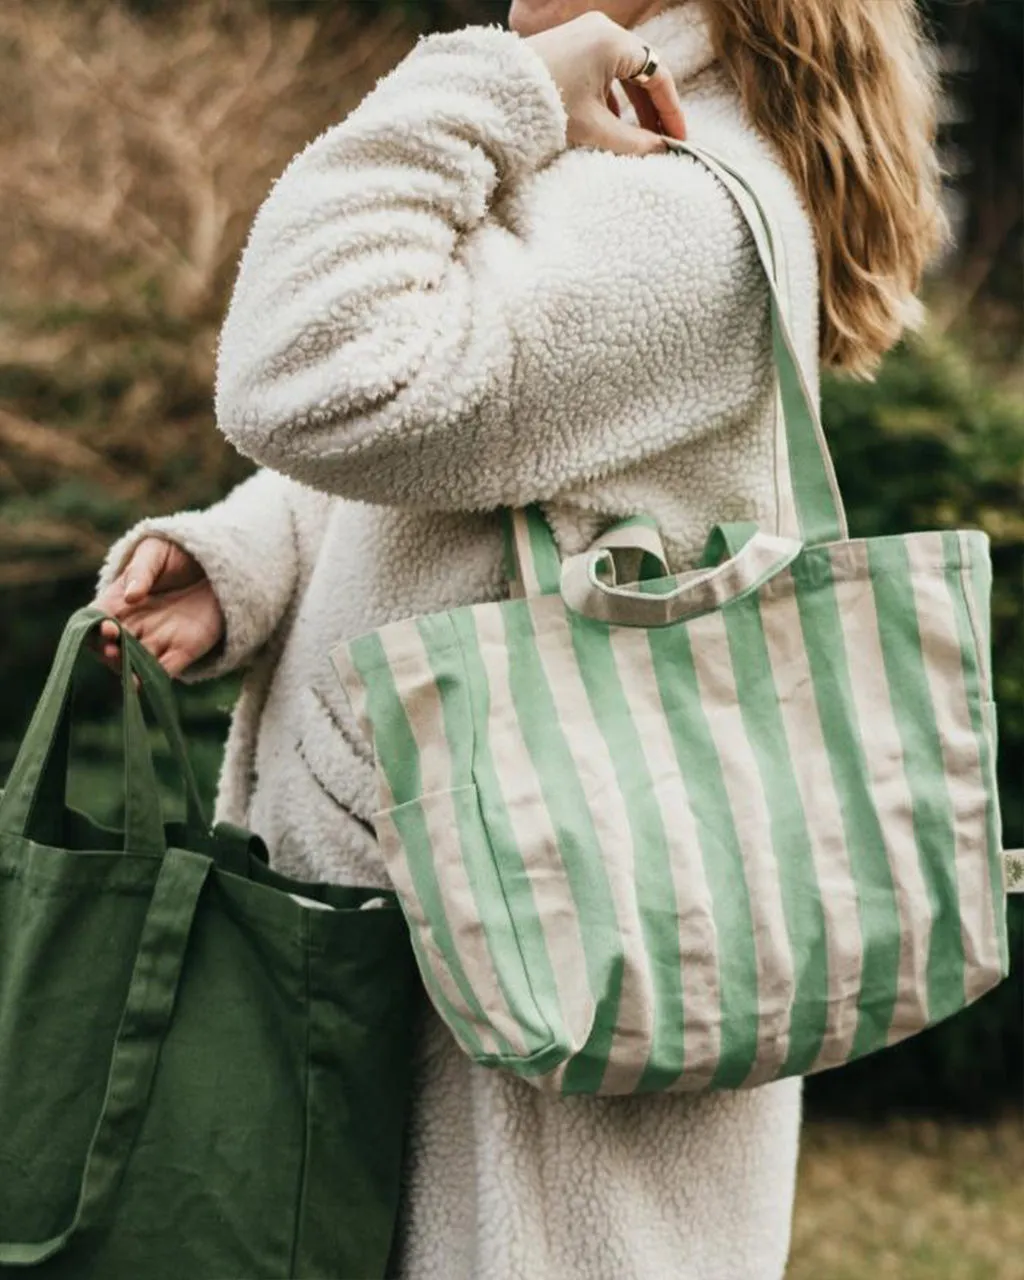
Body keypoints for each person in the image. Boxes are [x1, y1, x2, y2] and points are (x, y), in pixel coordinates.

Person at [94, 1, 946, 1275]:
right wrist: (256, 557)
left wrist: (489, 82)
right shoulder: (632, 163)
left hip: (516, 1074)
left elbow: (307, 367)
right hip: (458, 975)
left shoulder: (671, 212)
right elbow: (490, 457)